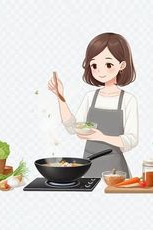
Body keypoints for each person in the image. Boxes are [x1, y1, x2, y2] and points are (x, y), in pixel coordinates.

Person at [48, 33, 138, 178]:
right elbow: (72, 127)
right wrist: (60, 95)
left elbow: (131, 140)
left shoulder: (128, 100)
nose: (100, 71)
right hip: (88, 166)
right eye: (94, 65)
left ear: (122, 65)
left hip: (115, 169)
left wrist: (102, 137)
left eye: (108, 64)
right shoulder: (91, 97)